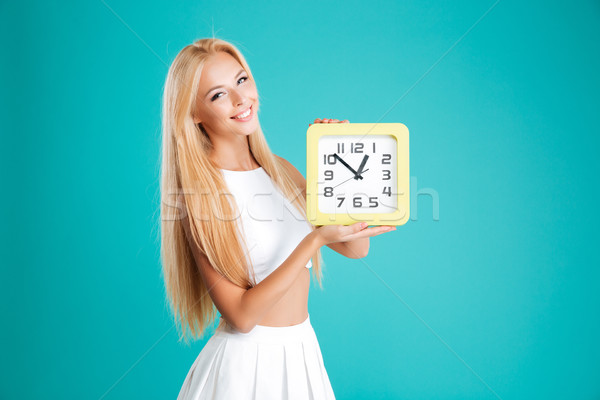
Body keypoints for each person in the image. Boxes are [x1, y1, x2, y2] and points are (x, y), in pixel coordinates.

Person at [159, 37, 396, 400]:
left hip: (301, 353)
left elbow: (356, 246)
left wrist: (337, 154)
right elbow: (241, 315)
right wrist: (313, 241)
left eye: (242, 80)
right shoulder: (200, 195)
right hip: (244, 369)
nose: (241, 100)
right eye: (218, 95)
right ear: (194, 114)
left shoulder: (280, 171)